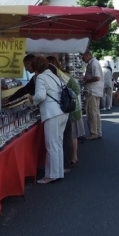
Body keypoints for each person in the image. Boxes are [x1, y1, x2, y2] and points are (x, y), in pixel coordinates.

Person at [31, 56, 69, 184]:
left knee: (51, 145)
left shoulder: (41, 77)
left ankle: (51, 175)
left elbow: (40, 96)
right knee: (58, 144)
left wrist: (32, 100)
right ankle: (58, 172)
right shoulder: (55, 76)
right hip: (63, 111)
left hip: (52, 113)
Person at [47, 56, 84, 168]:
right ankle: (73, 157)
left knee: (71, 135)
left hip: (71, 109)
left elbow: (76, 89)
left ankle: (73, 158)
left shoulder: (62, 75)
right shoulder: (59, 75)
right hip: (69, 108)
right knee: (70, 135)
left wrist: (66, 98)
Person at [81, 50, 104, 140]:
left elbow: (96, 77)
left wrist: (86, 80)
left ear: (87, 55)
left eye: (83, 56)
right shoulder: (94, 62)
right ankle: (98, 131)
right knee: (95, 112)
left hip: (92, 90)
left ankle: (94, 132)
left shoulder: (93, 63)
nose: (82, 59)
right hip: (95, 90)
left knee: (91, 112)